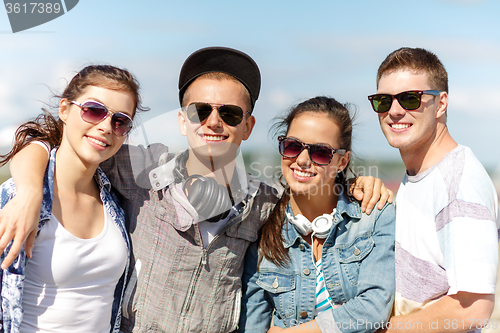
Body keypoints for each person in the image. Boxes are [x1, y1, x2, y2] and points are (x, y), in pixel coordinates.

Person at [0, 47, 392, 333]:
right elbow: (53, 145)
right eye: (200, 111)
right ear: (182, 120)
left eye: (230, 113)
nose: (214, 121)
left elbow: (313, 189)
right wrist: (30, 190)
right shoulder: (137, 172)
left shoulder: (263, 202)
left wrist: (355, 182)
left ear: (248, 127)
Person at [0, 64, 148, 332]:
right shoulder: (18, 198)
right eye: (94, 110)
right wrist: (31, 191)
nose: (105, 127)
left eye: (120, 121)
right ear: (65, 110)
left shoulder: (117, 199)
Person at [367, 47, 499, 333]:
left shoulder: (459, 182)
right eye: (382, 101)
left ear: (441, 104)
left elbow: (473, 308)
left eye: (410, 98)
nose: (394, 111)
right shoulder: (421, 174)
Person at [238, 96, 396, 333]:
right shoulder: (262, 228)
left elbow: (373, 308)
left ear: (342, 161)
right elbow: (252, 326)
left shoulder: (373, 216)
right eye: (292, 146)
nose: (301, 160)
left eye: (320, 152)